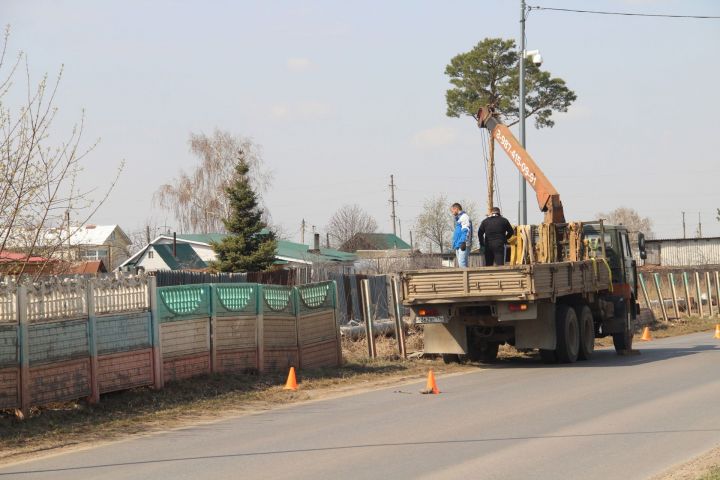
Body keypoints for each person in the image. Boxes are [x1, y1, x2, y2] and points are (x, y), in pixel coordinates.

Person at [450, 203, 472, 268]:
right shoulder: (459, 218)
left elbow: (466, 229)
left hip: (463, 244)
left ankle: (464, 278)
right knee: (462, 263)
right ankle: (466, 277)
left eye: (452, 211)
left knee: (462, 263)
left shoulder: (464, 217)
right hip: (459, 244)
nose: (452, 213)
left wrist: (463, 241)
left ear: (456, 209)